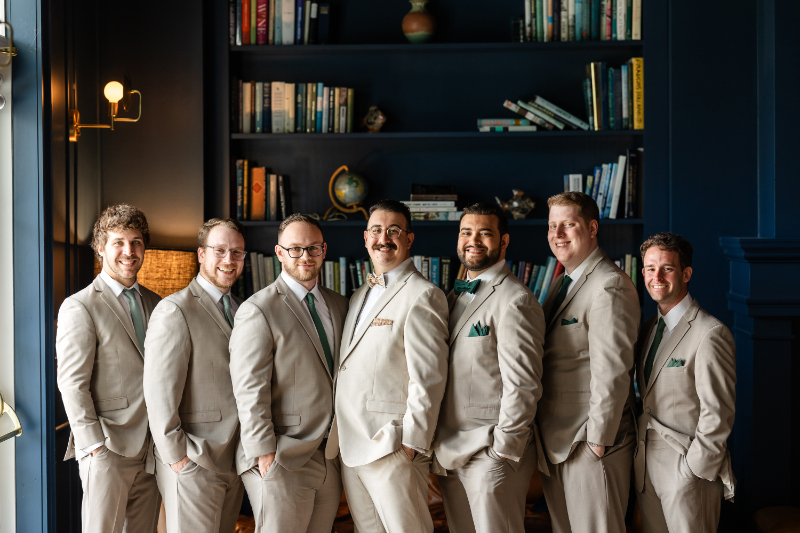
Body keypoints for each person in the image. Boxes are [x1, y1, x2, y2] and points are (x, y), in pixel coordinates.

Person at [326, 200, 449, 533]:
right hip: (351, 447)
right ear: (366, 238)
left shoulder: (423, 295)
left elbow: (430, 378)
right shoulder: (357, 296)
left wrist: (411, 443)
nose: (384, 238)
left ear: (409, 239)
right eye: (377, 230)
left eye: (394, 230)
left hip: (393, 446)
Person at [230, 214, 349, 533]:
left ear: (324, 250)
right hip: (281, 455)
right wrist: (263, 452)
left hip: (329, 456)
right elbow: (248, 388)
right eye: (295, 249)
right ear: (279, 253)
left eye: (313, 248)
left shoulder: (340, 305)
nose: (305, 256)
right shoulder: (258, 310)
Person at [433, 202, 546, 533]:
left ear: (504, 241)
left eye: (485, 233)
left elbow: (524, 385)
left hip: (491, 453)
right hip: (451, 450)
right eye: (467, 232)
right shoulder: (452, 297)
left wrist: (503, 451)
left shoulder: (515, 300)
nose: (474, 240)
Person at [537, 192, 640, 533]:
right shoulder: (563, 282)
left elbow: (612, 371)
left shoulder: (608, 285)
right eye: (553, 225)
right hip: (557, 440)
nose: (558, 234)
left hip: (590, 441)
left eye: (568, 224)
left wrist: (597, 443)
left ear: (592, 227)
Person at [56, 204, 162, 533]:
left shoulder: (157, 303)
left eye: (136, 242)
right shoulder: (80, 306)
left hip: (152, 447)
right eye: (118, 242)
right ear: (101, 248)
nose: (129, 252)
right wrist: (95, 447)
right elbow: (72, 384)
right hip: (108, 447)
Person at [143, 218, 247, 532]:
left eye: (237, 253)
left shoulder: (242, 310)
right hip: (194, 459)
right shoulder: (174, 310)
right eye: (220, 251)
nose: (229, 260)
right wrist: (179, 460)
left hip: (233, 458)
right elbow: (159, 394)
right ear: (201, 255)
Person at [634, 232, 736, 533]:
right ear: (642, 273)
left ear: (686, 273)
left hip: (688, 470)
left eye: (667, 268)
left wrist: (693, 470)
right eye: (651, 269)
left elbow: (718, 413)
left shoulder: (710, 332)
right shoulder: (649, 328)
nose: (657, 276)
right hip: (647, 468)